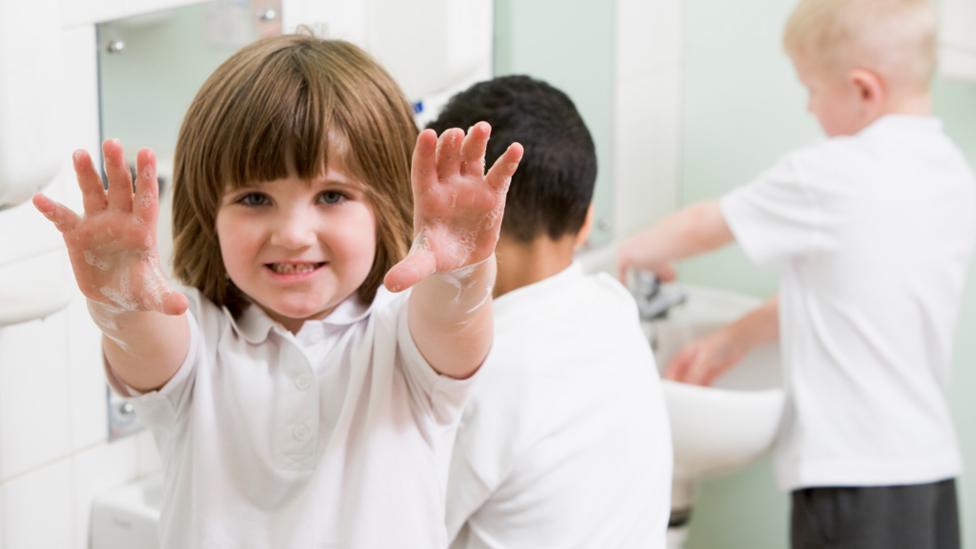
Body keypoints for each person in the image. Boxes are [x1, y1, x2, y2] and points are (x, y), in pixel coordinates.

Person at [32, 34, 523, 549]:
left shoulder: (404, 338)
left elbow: (453, 321)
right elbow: (143, 338)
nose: (292, 233)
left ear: (386, 206)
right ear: (209, 213)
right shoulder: (196, 340)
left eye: (332, 195)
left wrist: (460, 271)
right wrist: (121, 302)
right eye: (255, 198)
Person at [618, 1, 975, 547]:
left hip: (852, 481)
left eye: (810, 88)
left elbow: (705, 225)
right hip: (928, 474)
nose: (809, 107)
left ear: (863, 89)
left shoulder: (831, 173)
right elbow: (853, 294)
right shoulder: (950, 172)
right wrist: (732, 339)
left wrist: (630, 253)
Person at [429, 75, 672, 549]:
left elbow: (396, 522)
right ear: (585, 221)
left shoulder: (477, 376)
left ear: (457, 217)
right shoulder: (612, 310)